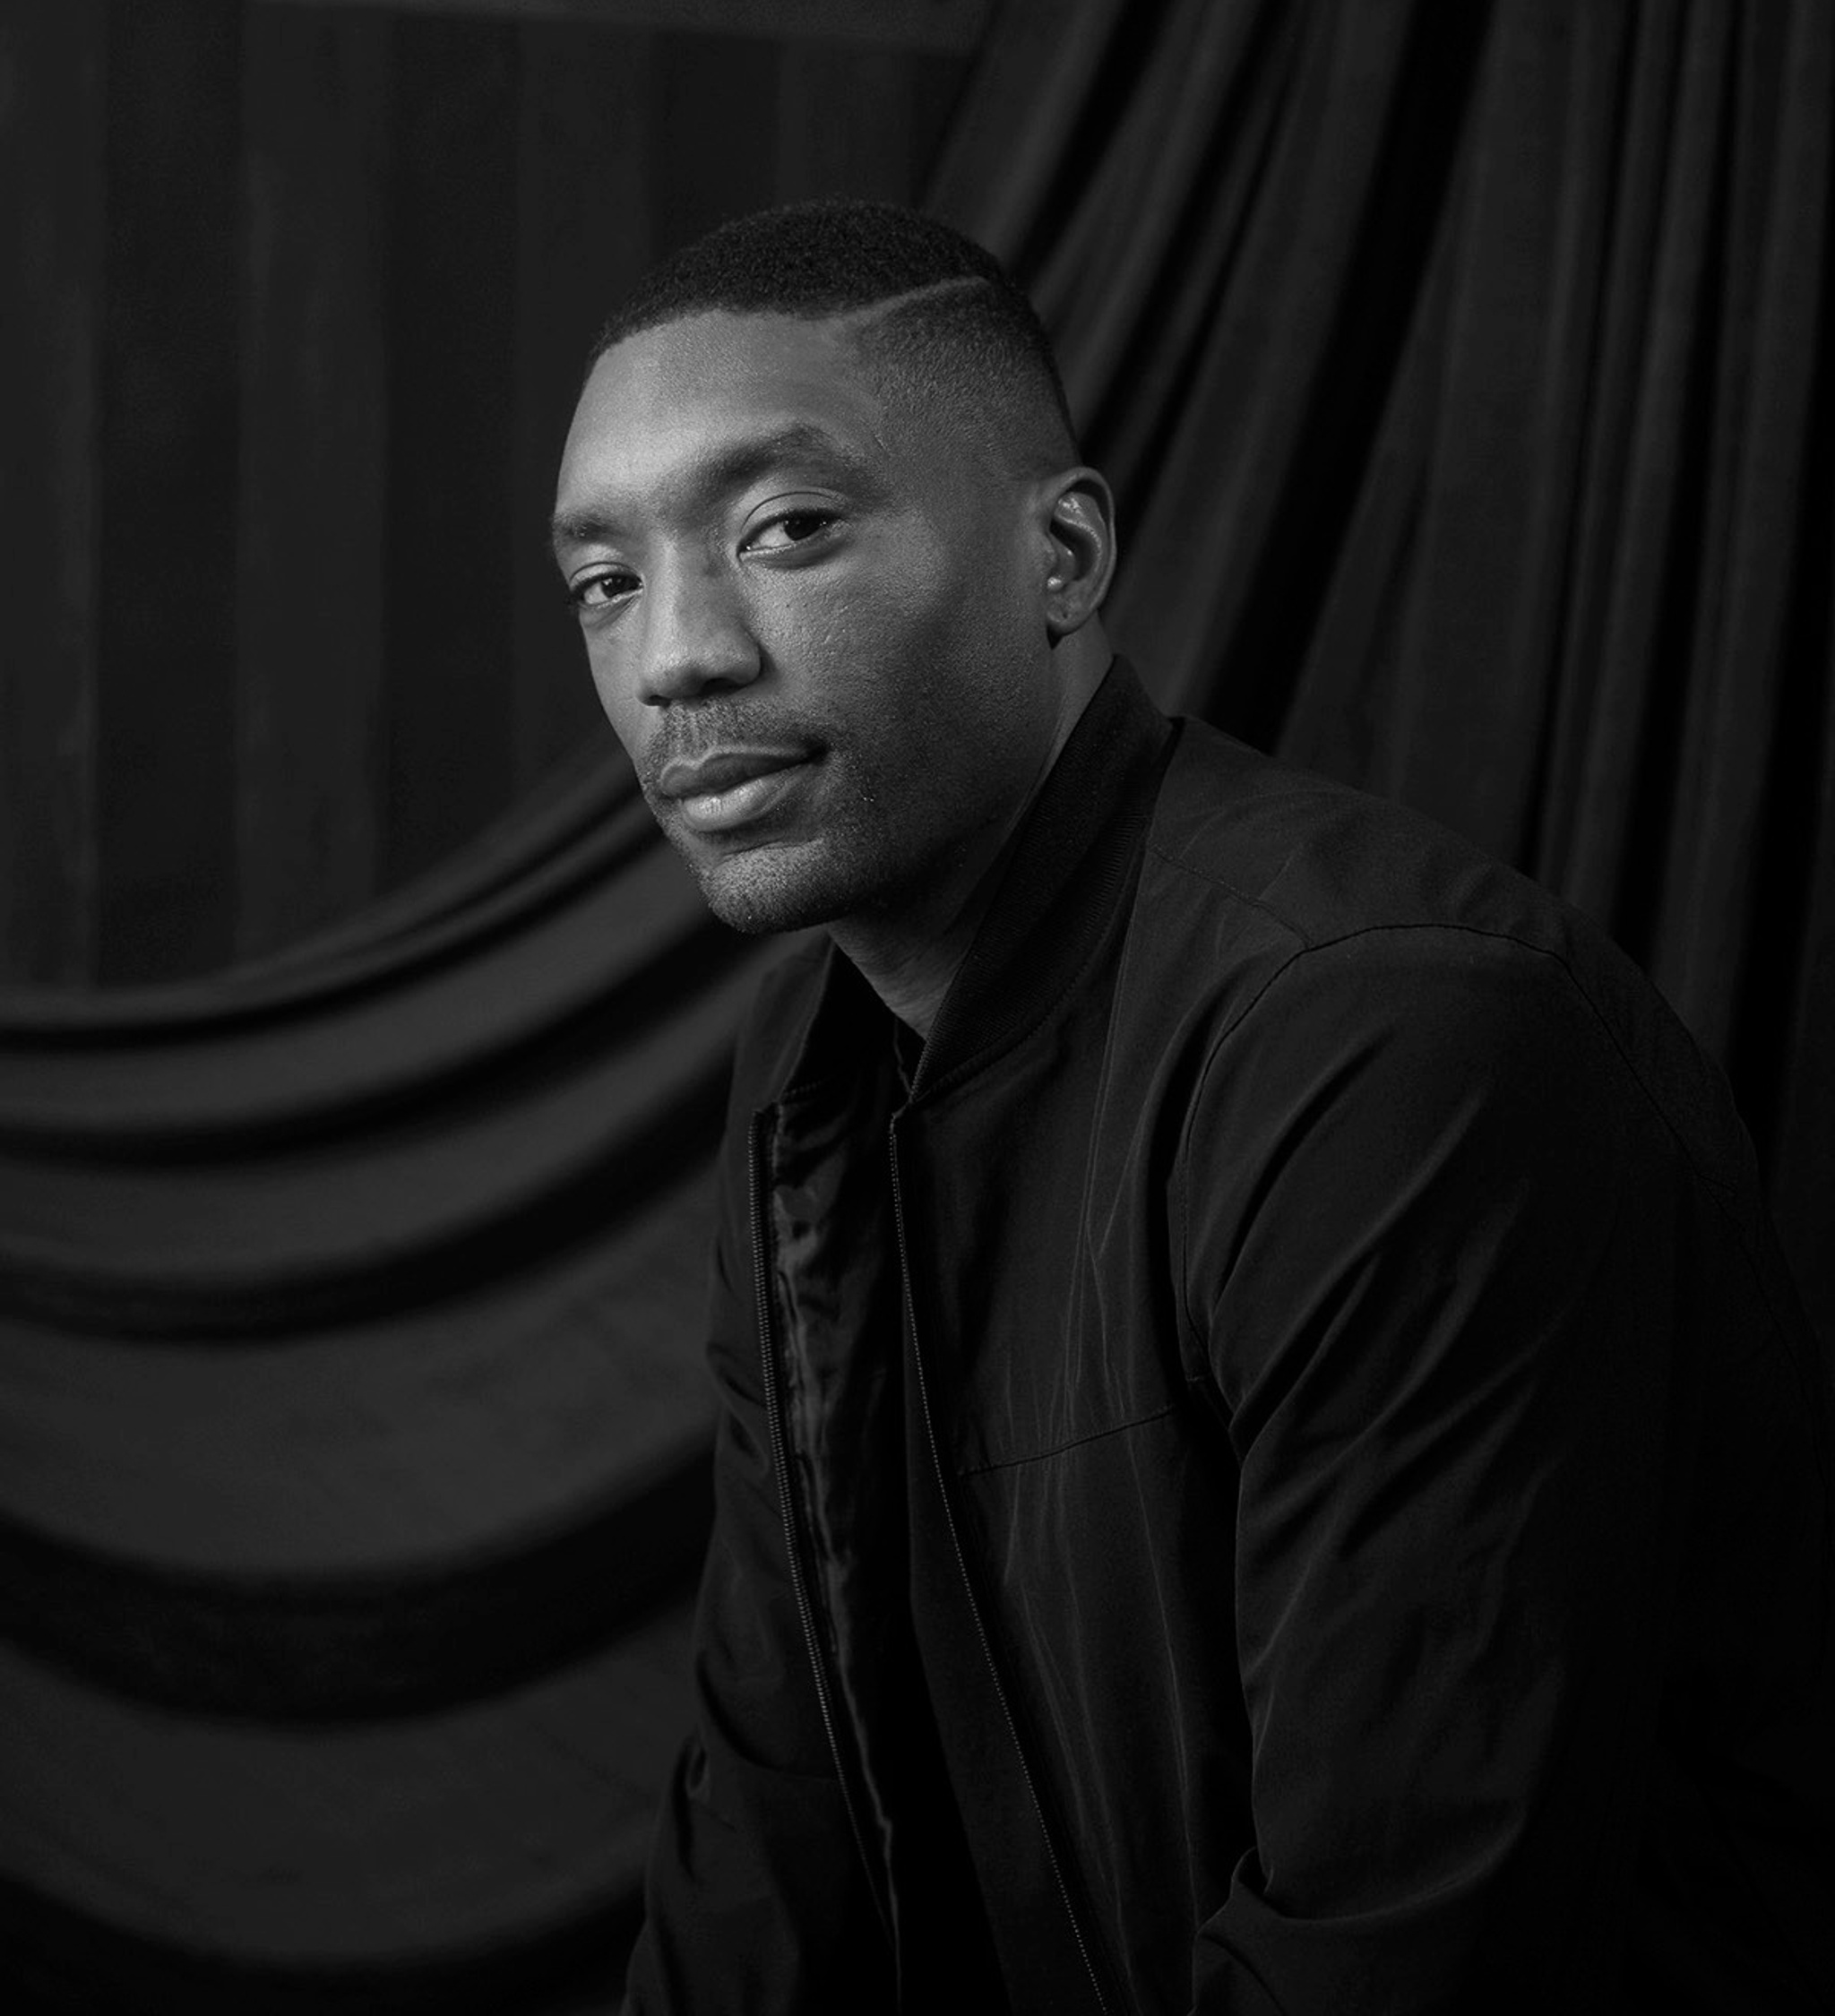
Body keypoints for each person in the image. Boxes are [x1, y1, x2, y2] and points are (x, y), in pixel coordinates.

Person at [550, 200, 1834, 2016]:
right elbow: (779, 1818)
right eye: (607, 582)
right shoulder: (813, 1060)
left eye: (785, 533)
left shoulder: (1384, 1040)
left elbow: (1401, 1947)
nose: (676, 654)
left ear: (1061, 554)